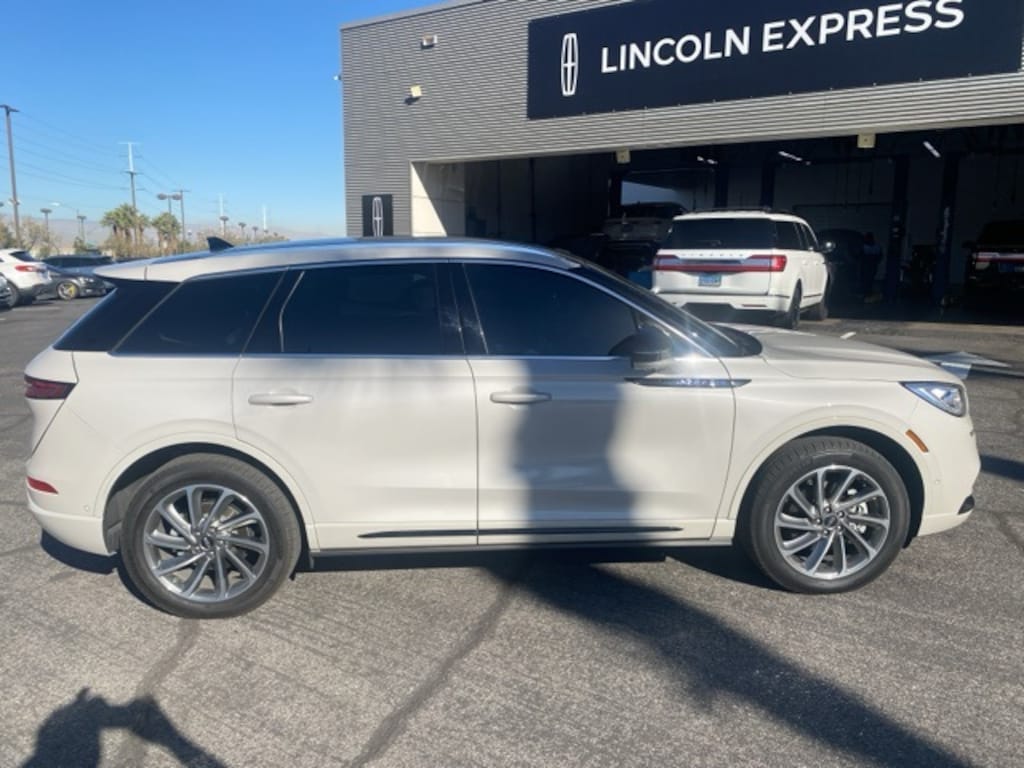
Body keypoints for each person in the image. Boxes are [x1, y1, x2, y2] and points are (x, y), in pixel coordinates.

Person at [860, 232, 883, 301]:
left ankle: (867, 293)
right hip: (869, 265)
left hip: (869, 265)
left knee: (868, 279)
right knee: (867, 279)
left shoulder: (867, 247)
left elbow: (880, 256)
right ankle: (867, 292)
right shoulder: (875, 247)